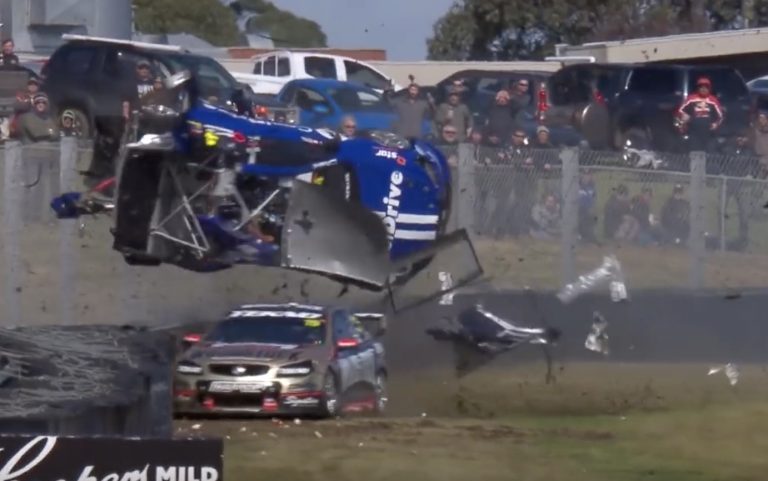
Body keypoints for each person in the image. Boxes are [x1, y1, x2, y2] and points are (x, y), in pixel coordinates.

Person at [676, 77, 723, 152]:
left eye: (706, 87)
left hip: (708, 132)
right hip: (694, 131)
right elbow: (680, 111)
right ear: (698, 88)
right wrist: (684, 117)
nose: (703, 89)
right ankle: (696, 160)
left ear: (709, 88)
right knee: (695, 152)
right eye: (701, 87)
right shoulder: (691, 99)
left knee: (710, 152)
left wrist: (715, 124)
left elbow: (720, 116)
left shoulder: (713, 100)